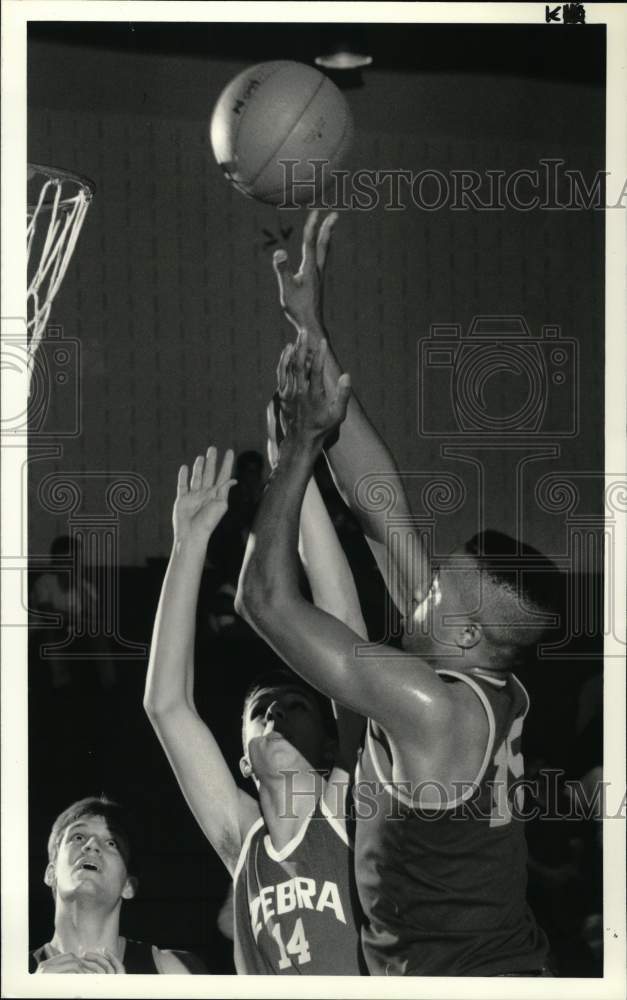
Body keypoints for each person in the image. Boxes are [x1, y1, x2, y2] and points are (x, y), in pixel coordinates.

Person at [235, 211, 559, 976]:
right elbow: (381, 506)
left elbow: (264, 602)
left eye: (440, 585)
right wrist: (309, 325)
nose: (422, 579)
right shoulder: (472, 666)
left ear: (470, 633)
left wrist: (301, 450)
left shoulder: (430, 706)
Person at [144, 444, 365, 974]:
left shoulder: (350, 807)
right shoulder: (244, 842)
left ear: (329, 743)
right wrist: (188, 543)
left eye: (297, 705)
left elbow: (350, 651)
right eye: (261, 710)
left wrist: (298, 467)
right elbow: (167, 705)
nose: (276, 713)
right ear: (243, 760)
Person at [30, 796, 202, 973]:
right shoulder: (13, 972)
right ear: (51, 873)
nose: (91, 845)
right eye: (78, 836)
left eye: (112, 842)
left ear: (128, 885)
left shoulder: (174, 969)